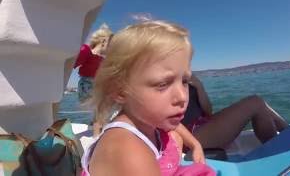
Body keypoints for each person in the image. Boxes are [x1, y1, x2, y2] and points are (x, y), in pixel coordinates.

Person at [81, 20, 216, 176]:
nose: (182, 96)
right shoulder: (128, 150)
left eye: (184, 81)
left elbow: (177, 126)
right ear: (119, 91)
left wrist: (195, 144)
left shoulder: (147, 119)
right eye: (163, 84)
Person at [182, 74, 289, 149]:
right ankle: (278, 149)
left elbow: (208, 111)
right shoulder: (170, 82)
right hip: (188, 135)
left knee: (262, 105)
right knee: (255, 102)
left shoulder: (189, 79)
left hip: (202, 124)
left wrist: (199, 87)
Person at [73, 23, 113, 136]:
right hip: (87, 85)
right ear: (104, 42)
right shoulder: (86, 51)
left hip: (97, 86)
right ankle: (97, 134)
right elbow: (72, 64)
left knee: (104, 107)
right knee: (102, 107)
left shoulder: (103, 59)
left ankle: (100, 129)